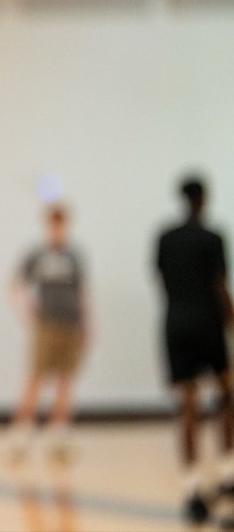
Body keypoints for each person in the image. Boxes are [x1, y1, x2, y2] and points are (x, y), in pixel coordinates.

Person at [156, 176, 234, 525]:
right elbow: (220, 285)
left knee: (187, 405)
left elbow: (162, 280)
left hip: (175, 324)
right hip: (207, 324)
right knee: (227, 395)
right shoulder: (213, 238)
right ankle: (228, 474)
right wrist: (231, 320)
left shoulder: (165, 239)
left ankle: (191, 489)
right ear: (203, 200)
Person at [7, 204, 90, 464]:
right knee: (36, 378)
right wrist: (28, 312)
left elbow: (82, 293)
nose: (57, 229)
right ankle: (21, 436)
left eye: (61, 224)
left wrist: (86, 325)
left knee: (66, 381)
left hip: (70, 325)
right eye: (53, 224)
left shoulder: (73, 256)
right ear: (47, 226)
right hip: (47, 325)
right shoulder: (37, 255)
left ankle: (58, 438)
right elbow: (16, 283)